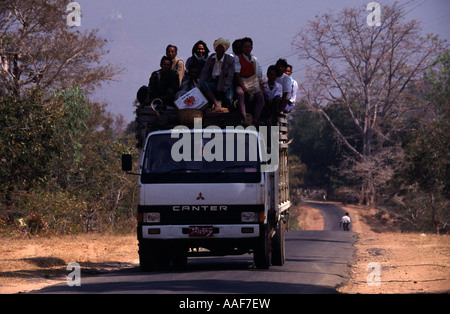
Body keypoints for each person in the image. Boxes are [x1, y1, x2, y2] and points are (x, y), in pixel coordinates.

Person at [198, 37, 235, 113]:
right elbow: (205, 72)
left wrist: (224, 88)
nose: (219, 49)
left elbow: (230, 76)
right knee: (205, 85)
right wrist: (199, 85)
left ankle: (230, 112)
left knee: (229, 98)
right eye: (218, 47)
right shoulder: (211, 58)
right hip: (214, 81)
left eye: (222, 47)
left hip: (225, 83)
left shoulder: (230, 59)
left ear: (224, 49)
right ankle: (217, 105)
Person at [234, 37, 265, 125]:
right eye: (245, 47)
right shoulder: (237, 58)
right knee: (240, 93)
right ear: (242, 48)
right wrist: (243, 87)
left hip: (252, 82)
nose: (247, 49)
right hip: (241, 82)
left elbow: (258, 76)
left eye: (249, 47)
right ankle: (244, 118)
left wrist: (255, 86)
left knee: (260, 96)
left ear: (251, 48)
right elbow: (237, 75)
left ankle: (255, 119)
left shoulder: (255, 60)